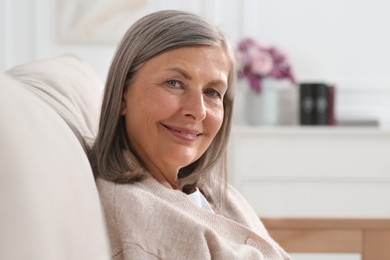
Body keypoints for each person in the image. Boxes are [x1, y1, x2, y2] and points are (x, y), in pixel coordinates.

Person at [89, 9, 291, 259]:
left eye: (212, 92)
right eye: (174, 83)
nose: (198, 111)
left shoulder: (211, 189)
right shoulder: (139, 225)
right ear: (122, 95)